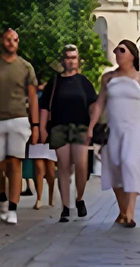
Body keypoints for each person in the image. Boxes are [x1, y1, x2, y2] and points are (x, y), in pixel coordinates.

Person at [88, 40, 140, 227]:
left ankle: (130, 214)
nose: (117, 53)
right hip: (114, 129)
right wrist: (91, 126)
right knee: (115, 167)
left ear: (132, 55)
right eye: (116, 50)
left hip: (135, 128)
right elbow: (100, 103)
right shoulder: (108, 78)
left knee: (129, 162)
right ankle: (122, 211)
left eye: (122, 50)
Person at [0, 28, 39, 226]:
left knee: (14, 162)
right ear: (2, 41)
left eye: (15, 40)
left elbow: (33, 97)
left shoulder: (26, 67)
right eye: (9, 39)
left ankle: (12, 208)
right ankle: (1, 196)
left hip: (19, 119)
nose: (12, 42)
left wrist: (36, 125)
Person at [39, 44, 98, 223]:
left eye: (74, 57)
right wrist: (42, 128)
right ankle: (65, 207)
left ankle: (79, 198)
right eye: (68, 57)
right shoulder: (54, 82)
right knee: (63, 167)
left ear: (78, 60)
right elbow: (44, 107)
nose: (71, 61)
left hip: (80, 127)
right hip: (59, 128)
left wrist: (92, 126)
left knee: (81, 165)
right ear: (62, 60)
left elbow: (93, 106)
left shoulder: (84, 82)